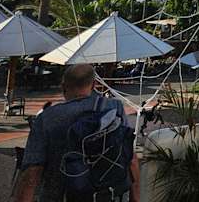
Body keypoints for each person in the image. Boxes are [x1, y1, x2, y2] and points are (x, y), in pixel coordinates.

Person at [13, 64, 140, 202]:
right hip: (106, 196)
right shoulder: (114, 108)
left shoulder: (46, 118)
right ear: (94, 84)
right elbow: (131, 159)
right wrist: (135, 198)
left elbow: (32, 173)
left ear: (63, 86)